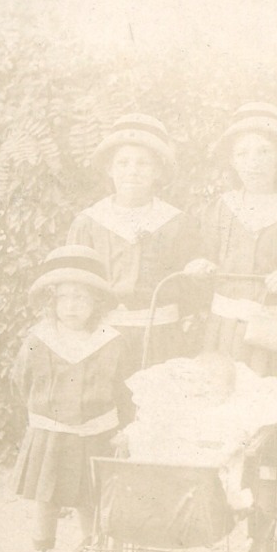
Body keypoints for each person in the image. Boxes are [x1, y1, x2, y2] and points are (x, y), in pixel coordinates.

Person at [12, 245, 133, 552]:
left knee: (89, 500)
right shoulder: (38, 340)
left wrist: (123, 429)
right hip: (52, 433)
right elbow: (21, 382)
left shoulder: (112, 342)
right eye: (64, 298)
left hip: (97, 433)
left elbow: (126, 390)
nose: (72, 306)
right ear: (53, 303)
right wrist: (44, 417)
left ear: (97, 303)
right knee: (47, 500)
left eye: (81, 298)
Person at [186, 102, 277, 377]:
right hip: (222, 330)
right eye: (243, 153)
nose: (254, 162)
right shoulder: (222, 207)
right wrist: (199, 266)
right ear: (233, 160)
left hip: (271, 333)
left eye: (264, 151)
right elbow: (204, 255)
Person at [68, 113, 200, 373]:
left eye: (144, 164)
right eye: (123, 162)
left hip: (163, 338)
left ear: (158, 171)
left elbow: (191, 291)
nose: (132, 171)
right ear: (110, 168)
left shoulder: (177, 223)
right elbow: (74, 286)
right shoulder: (90, 223)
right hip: (104, 337)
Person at [122, 353, 277, 512]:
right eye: (198, 381)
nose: (203, 388)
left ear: (229, 390)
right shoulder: (180, 408)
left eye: (211, 383)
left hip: (208, 478)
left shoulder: (231, 413)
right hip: (170, 473)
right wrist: (132, 435)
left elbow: (235, 442)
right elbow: (153, 427)